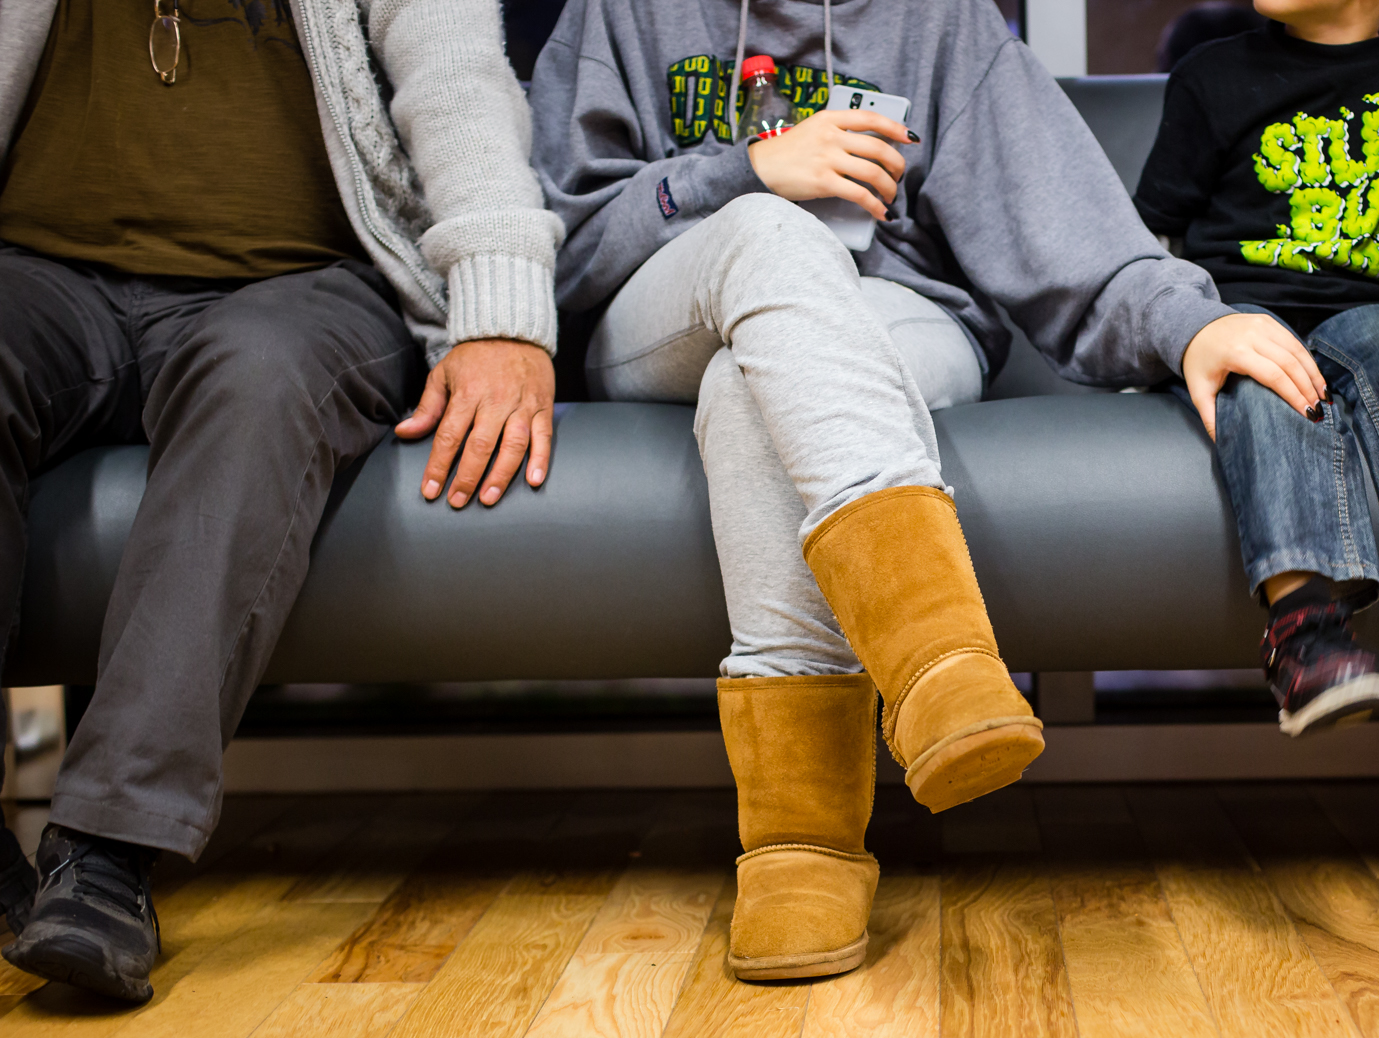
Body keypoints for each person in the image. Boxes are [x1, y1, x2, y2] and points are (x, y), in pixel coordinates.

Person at [530, 0, 1322, 980]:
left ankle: (802, 846)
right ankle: (938, 663)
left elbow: (1071, 234)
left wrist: (1189, 325)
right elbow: (559, 244)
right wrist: (744, 174)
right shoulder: (624, 11)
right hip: (671, 302)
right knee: (768, 235)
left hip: (889, 319)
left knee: (756, 384)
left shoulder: (939, 18)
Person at [0, 0, 560, 1004]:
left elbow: (456, 75)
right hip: (38, 276)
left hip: (301, 287)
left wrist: (503, 307)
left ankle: (106, 849)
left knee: (256, 381)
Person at [1135, 0, 1379, 788]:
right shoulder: (1211, 73)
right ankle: (1305, 631)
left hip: (1375, 303)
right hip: (1245, 312)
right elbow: (1151, 233)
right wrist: (1168, 338)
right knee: (1264, 375)